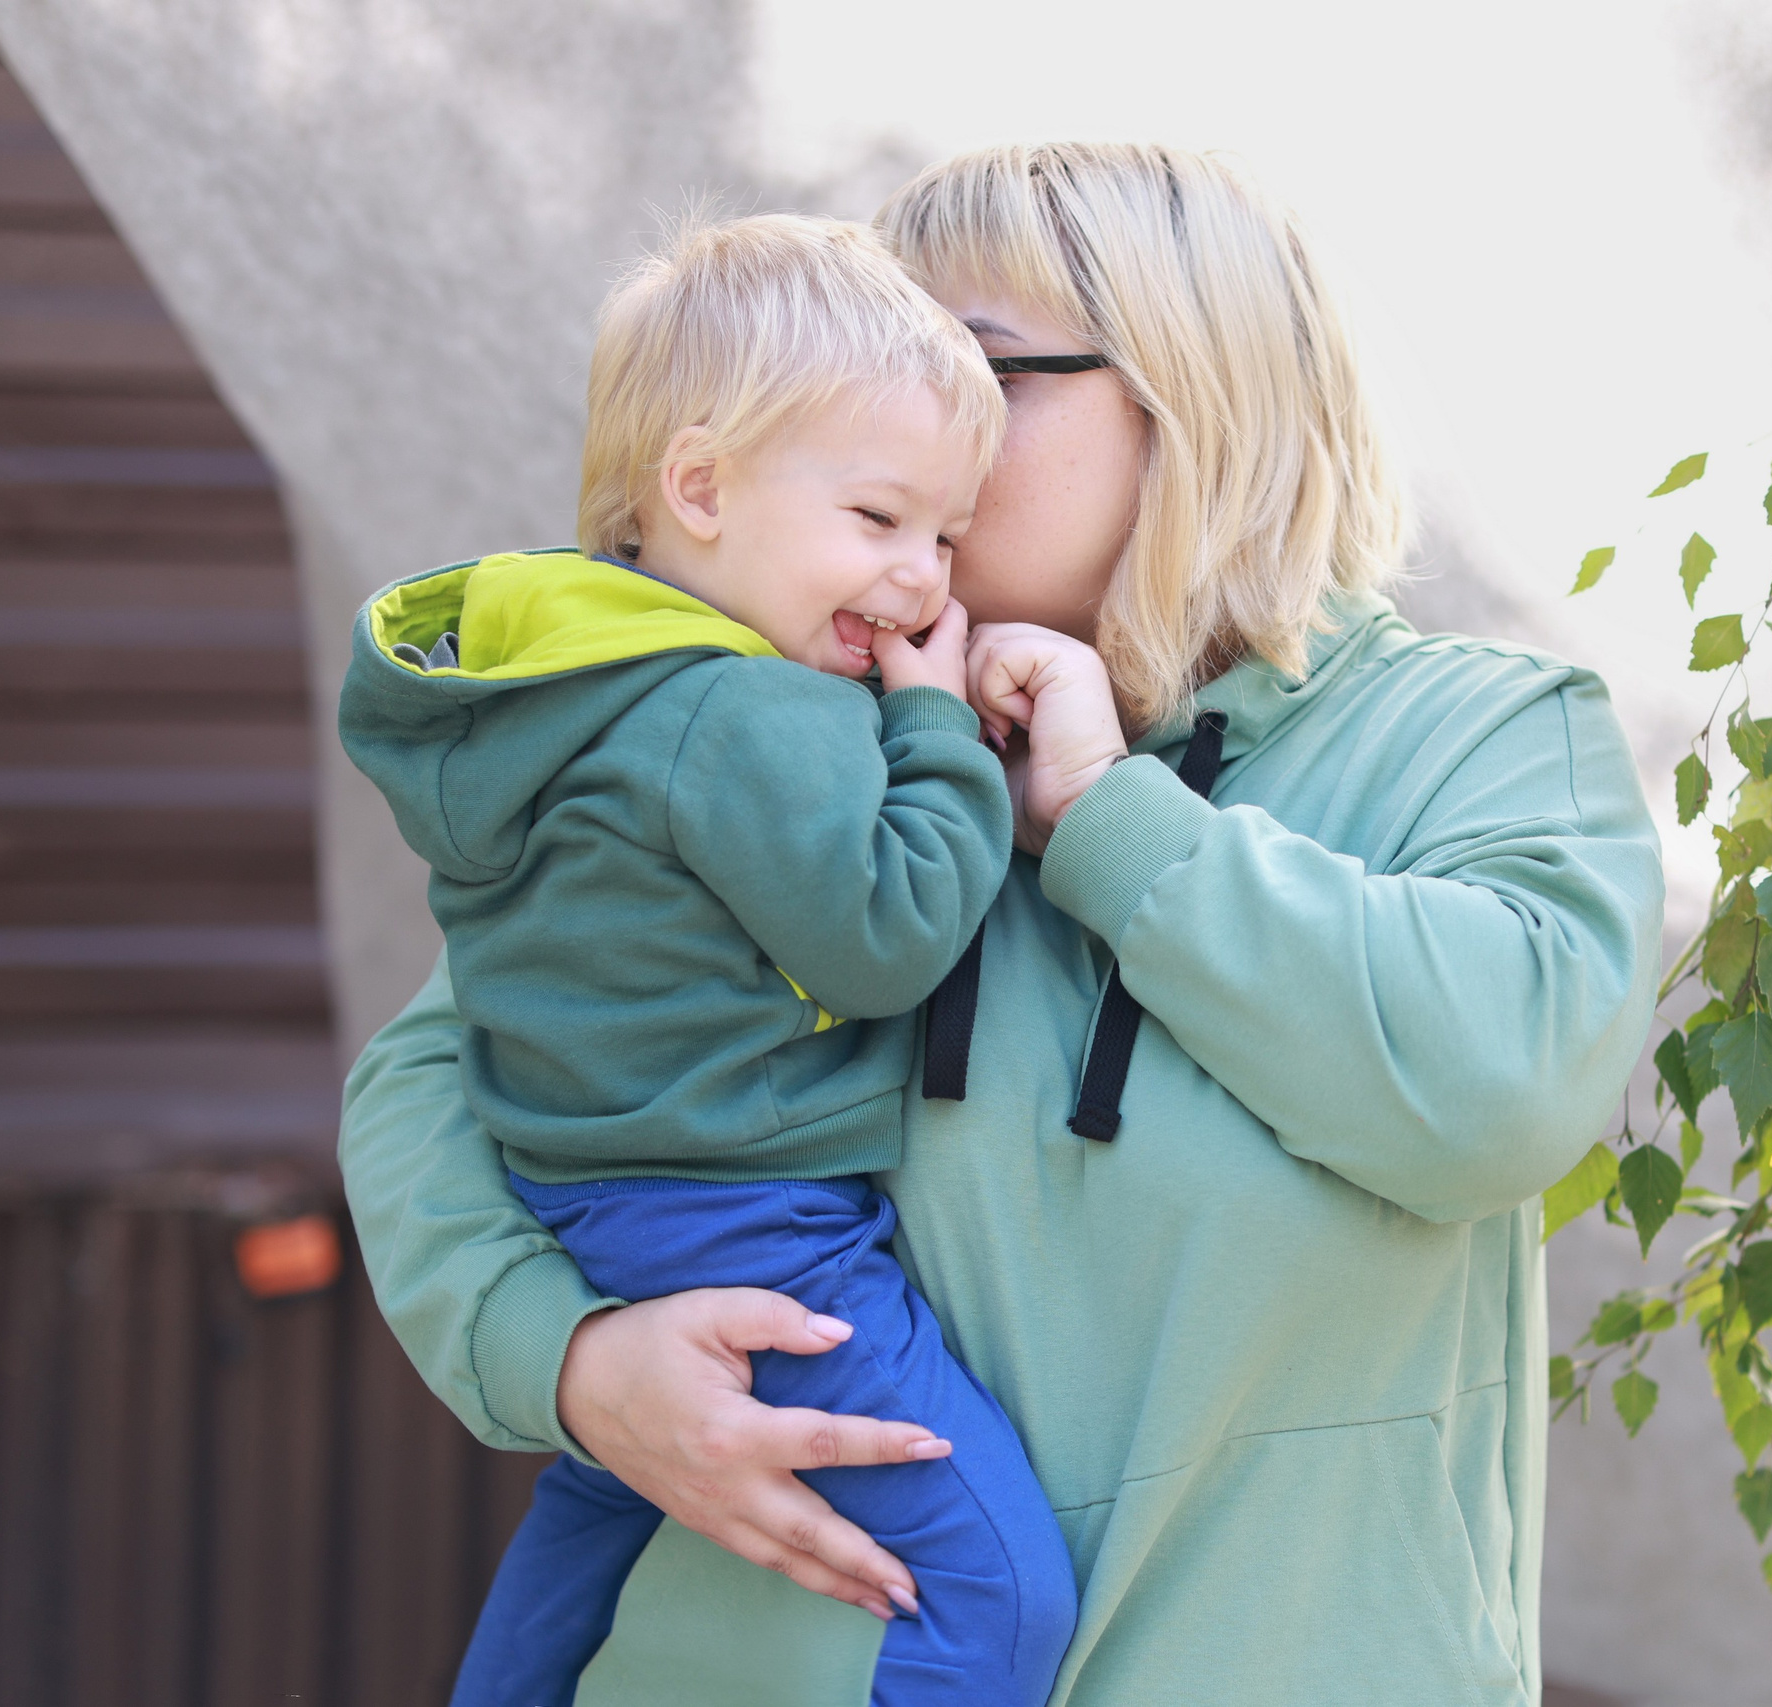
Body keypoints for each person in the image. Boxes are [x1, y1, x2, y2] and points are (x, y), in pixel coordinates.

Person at [342, 143, 1666, 1706]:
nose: (908, 431)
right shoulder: (790, 716)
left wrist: (1105, 814)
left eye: (975, 369)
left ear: (1197, 393)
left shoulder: (1482, 731)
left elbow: (1494, 1094)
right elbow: (438, 1084)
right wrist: (565, 1365)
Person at [336, 213, 1075, 1707]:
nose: (926, 585)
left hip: (578, 1192)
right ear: (700, 487)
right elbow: (884, 939)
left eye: (944, 535)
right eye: (879, 522)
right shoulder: (745, 713)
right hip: (744, 1223)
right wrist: (937, 736)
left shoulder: (568, 676)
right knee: (999, 1591)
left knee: (606, 1498)